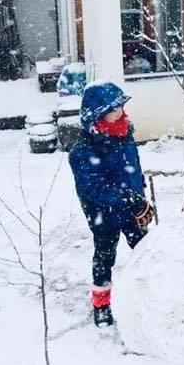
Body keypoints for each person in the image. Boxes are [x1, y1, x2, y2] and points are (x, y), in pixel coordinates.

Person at [69, 81, 156, 327]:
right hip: (103, 215)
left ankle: (154, 292)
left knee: (147, 251)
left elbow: (132, 170)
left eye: (120, 107)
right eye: (113, 109)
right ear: (97, 115)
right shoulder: (83, 151)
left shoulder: (125, 133)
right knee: (104, 259)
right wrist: (127, 198)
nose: (119, 112)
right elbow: (92, 188)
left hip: (131, 211)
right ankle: (101, 305)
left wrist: (140, 196)